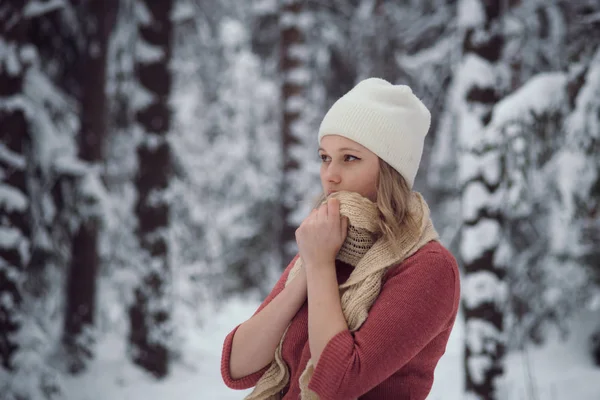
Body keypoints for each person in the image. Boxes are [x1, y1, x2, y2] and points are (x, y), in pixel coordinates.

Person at [220, 78, 461, 400]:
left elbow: (336, 384)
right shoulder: (327, 243)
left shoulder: (429, 267)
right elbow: (238, 368)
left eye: (349, 158)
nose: (330, 174)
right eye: (324, 157)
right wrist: (311, 266)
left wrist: (319, 265)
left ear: (390, 170)